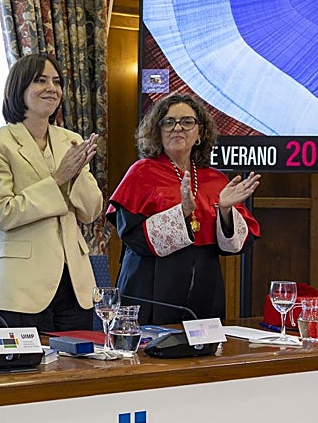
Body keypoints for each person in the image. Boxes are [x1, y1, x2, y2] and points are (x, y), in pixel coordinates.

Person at [108, 93, 262, 324]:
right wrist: (181, 214)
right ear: (157, 131)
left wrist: (226, 211)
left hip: (204, 287)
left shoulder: (216, 180)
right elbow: (133, 237)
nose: (177, 128)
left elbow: (236, 245)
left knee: (203, 356)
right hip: (150, 287)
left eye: (187, 122)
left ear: (199, 133)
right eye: (168, 122)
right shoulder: (141, 173)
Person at [0, 54, 102, 331]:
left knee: (76, 370)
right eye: (41, 80)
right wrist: (58, 178)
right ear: (19, 88)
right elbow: (3, 213)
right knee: (20, 370)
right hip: (21, 287)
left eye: (56, 82)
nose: (52, 88)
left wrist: (77, 175)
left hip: (74, 283)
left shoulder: (70, 140)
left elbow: (92, 211)